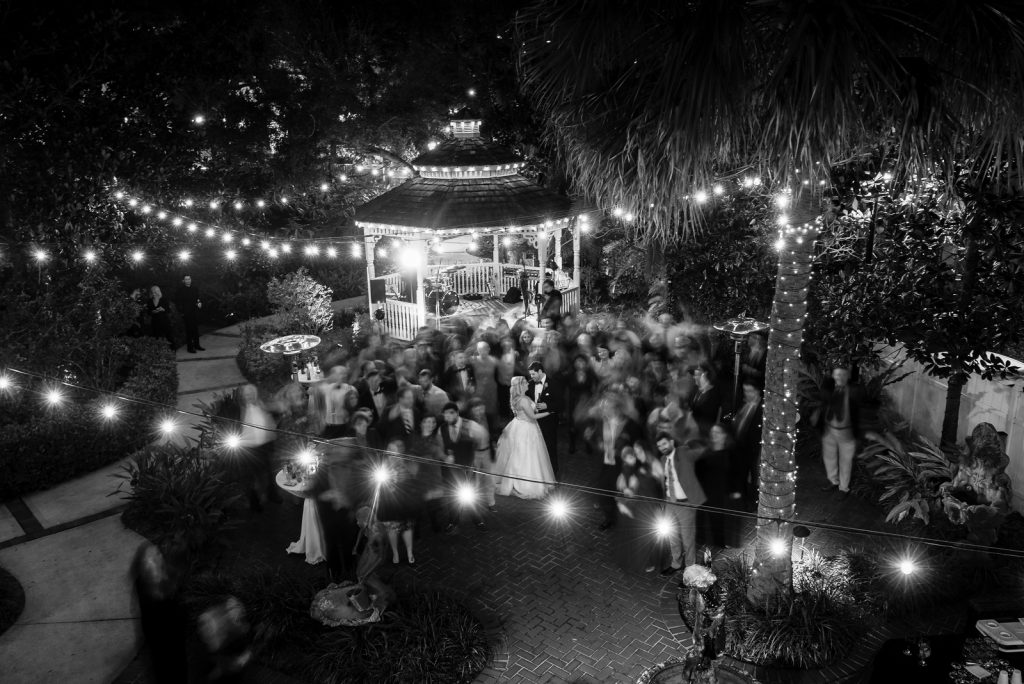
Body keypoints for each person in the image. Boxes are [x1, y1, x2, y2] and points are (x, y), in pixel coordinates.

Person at [132, 542, 187, 684]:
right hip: (158, 639)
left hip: (175, 637)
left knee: (179, 668)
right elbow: (149, 616)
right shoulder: (142, 584)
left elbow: (181, 611)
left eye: (157, 553)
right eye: (149, 558)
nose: (155, 559)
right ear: (142, 565)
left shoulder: (172, 576)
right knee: (162, 670)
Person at [493, 376, 556, 499]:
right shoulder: (523, 400)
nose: (528, 383)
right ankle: (525, 484)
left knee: (519, 454)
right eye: (525, 382)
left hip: (518, 425)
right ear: (521, 385)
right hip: (526, 428)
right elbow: (532, 416)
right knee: (527, 454)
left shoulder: (520, 398)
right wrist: (550, 412)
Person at [613, 442, 667, 574]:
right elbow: (623, 490)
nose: (635, 457)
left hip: (645, 505)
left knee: (646, 534)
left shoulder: (648, 465)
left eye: (636, 453)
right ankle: (644, 561)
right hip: (636, 506)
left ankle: (651, 561)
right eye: (632, 455)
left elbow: (659, 484)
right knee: (640, 534)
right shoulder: (629, 471)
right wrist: (623, 501)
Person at [657, 431, 706, 574]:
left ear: (672, 442)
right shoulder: (662, 460)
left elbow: (698, 451)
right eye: (660, 446)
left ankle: (690, 569)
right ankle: (676, 563)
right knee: (671, 535)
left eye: (664, 443)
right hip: (669, 502)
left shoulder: (683, 453)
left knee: (687, 539)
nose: (662, 447)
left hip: (685, 504)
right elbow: (664, 481)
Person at [437, 402, 488, 532]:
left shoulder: (470, 425)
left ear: (457, 413)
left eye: (451, 413)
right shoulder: (441, 429)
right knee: (452, 496)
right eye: (445, 415)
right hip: (450, 470)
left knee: (472, 495)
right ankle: (453, 521)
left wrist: (476, 456)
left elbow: (482, 436)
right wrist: (444, 457)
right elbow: (439, 447)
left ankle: (478, 520)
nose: (448, 417)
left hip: (467, 469)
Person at [814, 365, 864, 498]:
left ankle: (844, 488)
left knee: (845, 461)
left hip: (847, 432)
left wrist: (860, 433)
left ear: (848, 376)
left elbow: (861, 411)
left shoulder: (854, 391)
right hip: (829, 429)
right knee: (829, 457)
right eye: (837, 374)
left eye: (843, 375)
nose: (840, 377)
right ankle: (833, 481)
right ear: (833, 376)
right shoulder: (829, 389)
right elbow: (822, 398)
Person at [375, 440, 420, 566]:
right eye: (389, 449)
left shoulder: (407, 464)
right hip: (389, 503)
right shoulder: (384, 464)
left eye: (394, 450)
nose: (391, 452)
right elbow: (378, 484)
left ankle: (409, 552)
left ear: (400, 452)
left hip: (404, 502)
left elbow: (412, 482)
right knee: (392, 529)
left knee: (407, 528)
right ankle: (395, 553)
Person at [527, 360, 563, 479]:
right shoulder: (530, 384)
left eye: (533, 374)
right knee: (536, 447)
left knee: (550, 446)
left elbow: (561, 404)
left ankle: (553, 472)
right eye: (531, 374)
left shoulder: (554, 384)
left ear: (540, 371)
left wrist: (547, 406)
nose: (531, 377)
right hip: (534, 421)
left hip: (549, 422)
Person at [732, 382, 764, 508]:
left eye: (749, 391)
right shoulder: (745, 404)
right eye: (745, 390)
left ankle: (752, 503)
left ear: (757, 392)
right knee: (742, 474)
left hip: (754, 448)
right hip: (742, 447)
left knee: (754, 476)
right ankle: (744, 500)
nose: (746, 394)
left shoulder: (762, 407)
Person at [690, 362, 723, 437]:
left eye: (697, 375)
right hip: (694, 429)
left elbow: (709, 415)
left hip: (705, 432)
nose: (694, 377)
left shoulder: (713, 393)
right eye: (694, 375)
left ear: (706, 375)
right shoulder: (695, 390)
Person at [174, 274, 204, 353]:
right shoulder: (180, 290)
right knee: (189, 331)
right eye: (186, 279)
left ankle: (197, 345)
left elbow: (198, 298)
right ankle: (190, 348)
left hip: (195, 312)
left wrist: (199, 302)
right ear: (183, 281)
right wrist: (182, 312)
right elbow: (178, 302)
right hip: (187, 313)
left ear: (191, 280)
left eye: (189, 279)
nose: (188, 280)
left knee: (195, 330)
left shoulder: (195, 288)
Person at [146, 285, 176, 349]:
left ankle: (173, 351)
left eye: (155, 292)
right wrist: (153, 312)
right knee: (157, 338)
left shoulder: (164, 300)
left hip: (165, 321)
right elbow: (148, 312)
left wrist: (163, 309)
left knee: (169, 337)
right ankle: (160, 353)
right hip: (155, 322)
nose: (154, 293)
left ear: (158, 292)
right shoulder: (149, 301)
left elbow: (169, 310)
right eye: (152, 292)